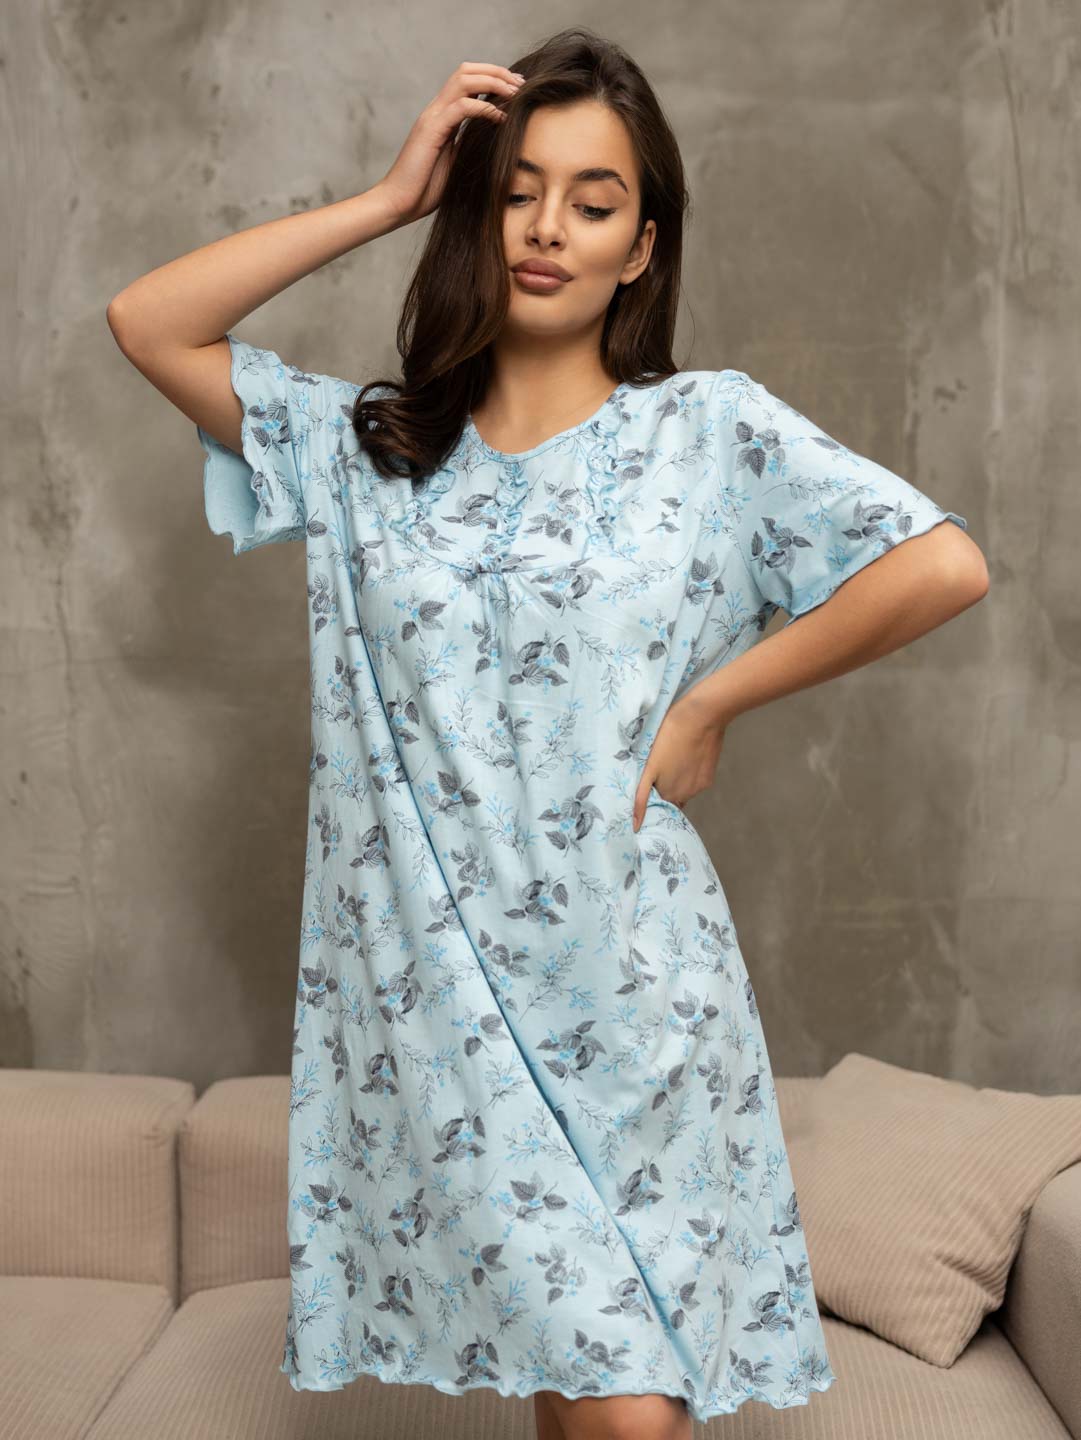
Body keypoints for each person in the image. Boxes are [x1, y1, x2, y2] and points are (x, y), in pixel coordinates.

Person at [106, 26, 989, 1440]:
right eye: (516, 191)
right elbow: (150, 322)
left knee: (614, 1407)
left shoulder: (708, 433)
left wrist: (712, 699)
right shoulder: (369, 452)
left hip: (637, 995)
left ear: (643, 247)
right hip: (441, 1011)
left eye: (592, 201)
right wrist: (392, 196)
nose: (546, 228)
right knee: (607, 1406)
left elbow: (940, 564)